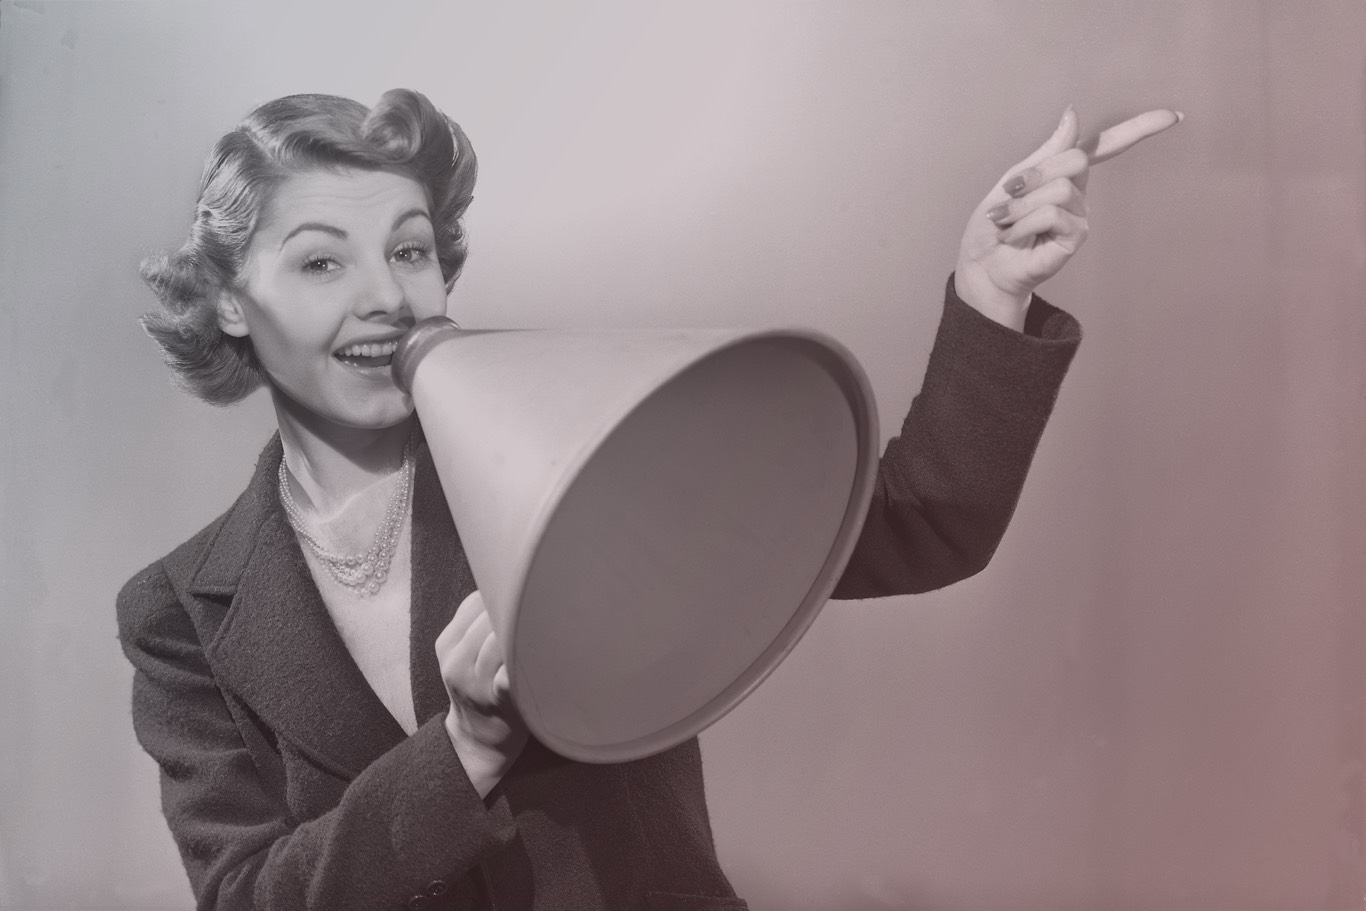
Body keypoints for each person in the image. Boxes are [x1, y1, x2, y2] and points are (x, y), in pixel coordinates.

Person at [117, 88, 1179, 911]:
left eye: (408, 249)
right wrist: (466, 749)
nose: (388, 298)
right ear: (229, 299)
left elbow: (922, 521)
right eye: (320, 262)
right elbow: (249, 897)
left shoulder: (574, 455)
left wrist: (993, 293)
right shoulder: (175, 613)